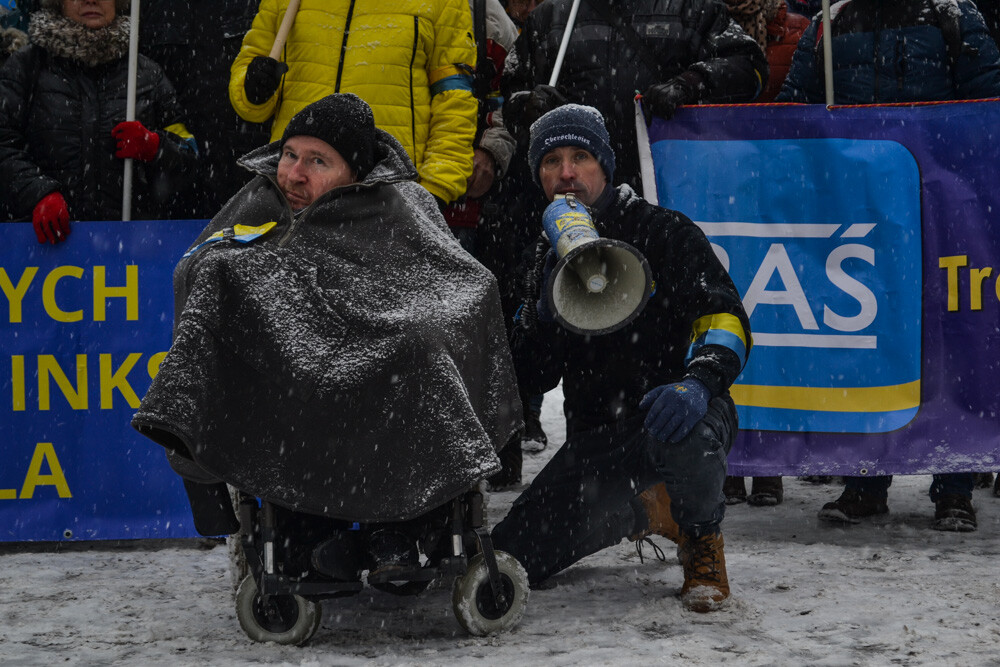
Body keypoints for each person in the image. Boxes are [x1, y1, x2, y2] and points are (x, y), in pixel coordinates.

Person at [132, 94, 522, 548]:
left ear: (355, 173)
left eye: (318, 161)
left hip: (386, 381)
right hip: (290, 398)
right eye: (291, 155)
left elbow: (461, 283)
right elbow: (201, 264)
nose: (294, 173)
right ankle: (308, 532)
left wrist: (403, 329)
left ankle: (403, 527)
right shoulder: (264, 198)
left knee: (422, 352)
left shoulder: (401, 204)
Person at [491, 104, 751, 612]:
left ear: (605, 166)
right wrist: (539, 317)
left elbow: (726, 317)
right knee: (512, 557)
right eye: (551, 162)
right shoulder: (537, 259)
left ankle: (702, 541)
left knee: (690, 438)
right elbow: (530, 377)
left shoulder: (662, 231)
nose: (566, 174)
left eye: (580, 156)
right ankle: (648, 510)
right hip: (597, 442)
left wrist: (699, 382)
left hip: (674, 413)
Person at [776, 0, 1000, 531]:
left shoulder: (951, 14)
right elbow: (792, 106)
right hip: (862, 205)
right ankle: (865, 481)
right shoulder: (831, 22)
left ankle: (954, 485)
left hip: (941, 204)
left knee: (949, 341)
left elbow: (989, 98)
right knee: (870, 343)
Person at [228, 0, 479, 208]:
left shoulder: (444, 3)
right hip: (294, 189)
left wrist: (436, 187)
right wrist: (253, 89)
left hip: (388, 195)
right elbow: (251, 85)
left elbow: (454, 100)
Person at [503, 0, 767, 195]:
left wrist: (691, 83)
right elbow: (510, 94)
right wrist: (528, 106)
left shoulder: (693, 8)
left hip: (665, 188)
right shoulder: (550, 16)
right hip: (573, 193)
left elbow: (750, 68)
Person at [0, 0, 197, 238]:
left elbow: (189, 156)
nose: (91, 0)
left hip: (133, 254)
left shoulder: (147, 73)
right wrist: (37, 192)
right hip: (43, 255)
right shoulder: (26, 66)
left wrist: (156, 147)